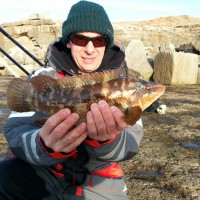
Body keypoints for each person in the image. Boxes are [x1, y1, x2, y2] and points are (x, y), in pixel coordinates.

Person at [0, 1, 143, 199]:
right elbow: (15, 132)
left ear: (107, 43)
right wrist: (44, 144)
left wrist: (107, 140)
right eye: (81, 39)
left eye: (99, 40)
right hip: (46, 172)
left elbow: (132, 144)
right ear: (69, 41)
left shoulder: (124, 83)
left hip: (99, 179)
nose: (90, 49)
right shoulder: (44, 76)